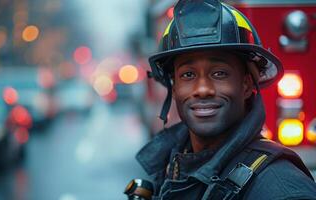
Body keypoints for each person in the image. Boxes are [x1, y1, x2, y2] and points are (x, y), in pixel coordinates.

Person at [134, 0, 316, 199]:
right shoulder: (175, 167)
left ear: (246, 84)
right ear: (174, 87)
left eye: (219, 73)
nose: (203, 89)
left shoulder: (282, 189)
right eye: (188, 75)